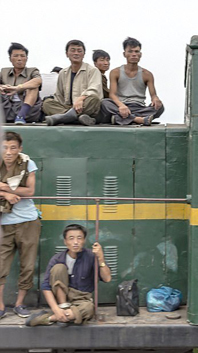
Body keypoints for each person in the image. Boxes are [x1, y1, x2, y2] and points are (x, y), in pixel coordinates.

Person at [26, 224, 111, 326]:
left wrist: (101, 259)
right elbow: (46, 287)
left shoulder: (91, 256)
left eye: (79, 238)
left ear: (84, 240)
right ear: (65, 242)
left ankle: (51, 318)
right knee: (59, 268)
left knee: (89, 309)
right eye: (71, 238)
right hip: (62, 296)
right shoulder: (57, 258)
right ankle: (64, 310)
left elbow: (107, 278)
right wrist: (56, 309)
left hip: (81, 299)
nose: (75, 242)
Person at [0, 132, 40, 319]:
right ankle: (0, 305)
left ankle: (19, 303)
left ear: (20, 149)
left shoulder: (27, 163)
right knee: (1, 266)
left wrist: (5, 187)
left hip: (28, 222)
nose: (8, 152)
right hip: (4, 223)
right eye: (5, 147)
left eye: (13, 148)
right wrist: (8, 196)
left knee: (28, 265)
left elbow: (30, 191)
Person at [100, 37, 164, 126]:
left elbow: (153, 95)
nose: (134, 54)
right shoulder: (115, 72)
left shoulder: (147, 74)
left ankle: (121, 119)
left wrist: (156, 99)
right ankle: (137, 119)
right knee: (104, 103)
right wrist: (121, 106)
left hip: (140, 107)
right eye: (130, 51)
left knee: (160, 107)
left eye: (136, 51)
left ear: (140, 54)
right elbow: (112, 94)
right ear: (124, 54)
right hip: (121, 106)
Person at [42, 40, 103, 126]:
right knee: (47, 103)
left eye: (79, 51)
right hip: (68, 107)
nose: (76, 53)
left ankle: (64, 118)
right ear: (67, 54)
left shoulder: (93, 71)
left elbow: (94, 89)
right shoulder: (63, 73)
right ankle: (74, 118)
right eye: (73, 50)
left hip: (85, 106)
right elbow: (59, 95)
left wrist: (81, 99)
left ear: (84, 54)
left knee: (94, 99)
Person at [0, 43, 43, 124]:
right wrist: (2, 87)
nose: (19, 59)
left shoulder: (32, 71)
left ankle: (20, 116)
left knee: (33, 87)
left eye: (22, 56)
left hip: (27, 110)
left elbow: (38, 81)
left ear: (26, 58)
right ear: (10, 58)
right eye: (16, 56)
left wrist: (18, 88)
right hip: (7, 108)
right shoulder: (4, 71)